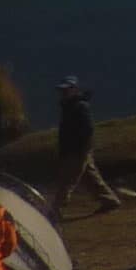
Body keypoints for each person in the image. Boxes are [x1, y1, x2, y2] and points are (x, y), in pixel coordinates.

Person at [49, 76, 123, 215]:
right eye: (62, 90)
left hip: (77, 150)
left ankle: (55, 210)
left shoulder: (79, 107)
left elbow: (87, 130)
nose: (63, 92)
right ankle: (110, 201)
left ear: (74, 90)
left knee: (68, 180)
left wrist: (81, 148)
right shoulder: (70, 107)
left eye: (67, 89)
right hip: (77, 150)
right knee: (91, 177)